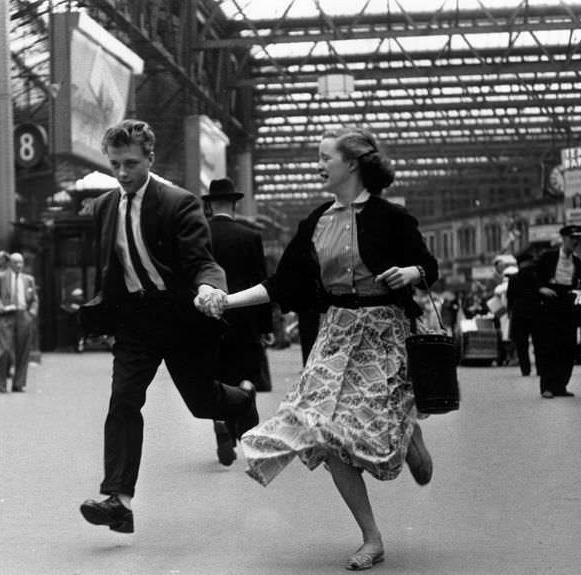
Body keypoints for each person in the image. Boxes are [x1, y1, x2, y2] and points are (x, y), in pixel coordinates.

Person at [199, 126, 438, 571]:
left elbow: (429, 266)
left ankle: (407, 434)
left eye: (326, 157)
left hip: (385, 336)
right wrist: (226, 301)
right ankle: (372, 538)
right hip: (335, 334)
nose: (318, 164)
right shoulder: (316, 222)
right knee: (323, 432)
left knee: (371, 428)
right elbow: (281, 284)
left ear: (352, 163)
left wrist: (410, 273)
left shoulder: (392, 218)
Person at [77, 119, 258, 535]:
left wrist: (210, 289)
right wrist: (100, 314)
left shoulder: (179, 202)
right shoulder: (105, 206)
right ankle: (118, 500)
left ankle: (242, 400)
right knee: (123, 400)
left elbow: (202, 260)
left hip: (181, 318)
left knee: (201, 402)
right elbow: (112, 267)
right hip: (135, 323)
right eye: (115, 164)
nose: (122, 173)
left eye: (131, 164)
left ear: (150, 159)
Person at [203, 177, 273, 466]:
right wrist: (266, 327)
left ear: (209, 205)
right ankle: (246, 391)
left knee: (217, 376)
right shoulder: (250, 237)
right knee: (244, 371)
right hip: (245, 320)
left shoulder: (200, 236)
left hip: (209, 319)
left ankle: (221, 420)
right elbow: (263, 284)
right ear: (234, 203)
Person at [532, 224, 581, 398]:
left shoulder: (577, 262)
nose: (575, 242)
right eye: (572, 239)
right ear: (563, 239)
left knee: (568, 347)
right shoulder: (548, 257)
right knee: (549, 346)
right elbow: (532, 277)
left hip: (568, 305)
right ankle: (547, 386)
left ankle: (561, 385)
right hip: (550, 305)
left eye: (578, 239)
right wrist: (541, 288)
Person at [0, 252, 39, 393]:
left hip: (24, 315)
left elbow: (34, 298)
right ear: (10, 263)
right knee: (4, 350)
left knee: (23, 351)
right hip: (6, 315)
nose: (19, 265)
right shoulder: (0, 277)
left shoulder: (29, 279)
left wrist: (32, 313)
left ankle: (18, 384)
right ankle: (2, 383)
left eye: (21, 262)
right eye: (16, 262)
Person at [506, 251, 540, 376]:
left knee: (522, 344)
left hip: (519, 314)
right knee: (538, 342)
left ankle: (525, 369)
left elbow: (509, 298)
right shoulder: (536, 276)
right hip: (536, 313)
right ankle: (540, 368)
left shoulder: (514, 278)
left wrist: (510, 312)